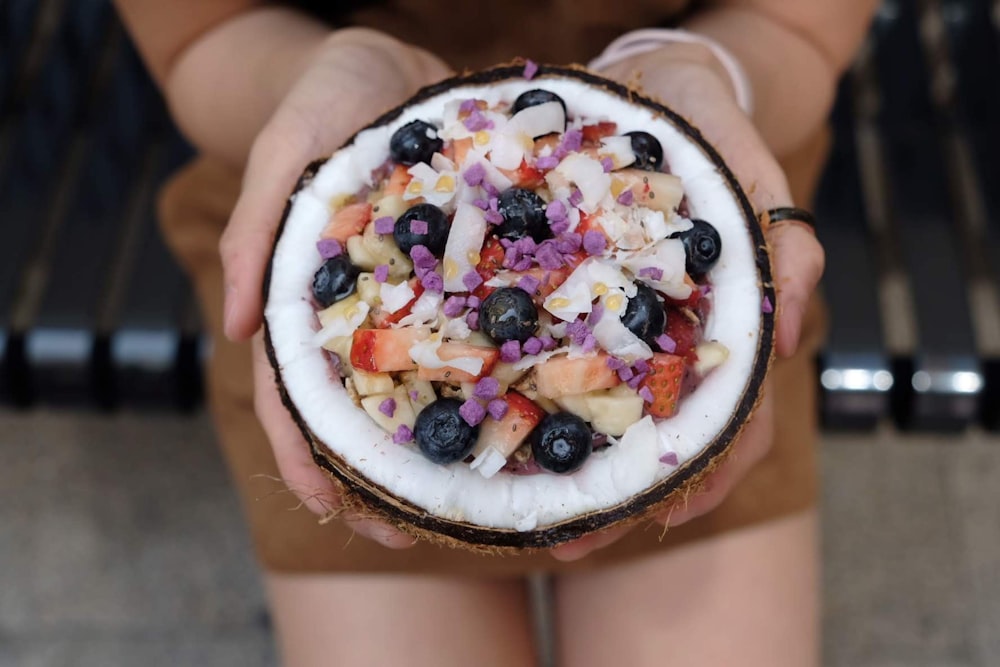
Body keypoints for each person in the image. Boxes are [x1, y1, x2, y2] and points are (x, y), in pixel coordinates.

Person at [115, 1, 877, 664]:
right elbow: (198, 36)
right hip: (300, 170)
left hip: (721, 162)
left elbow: (797, 25)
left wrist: (701, 68)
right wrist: (323, 69)